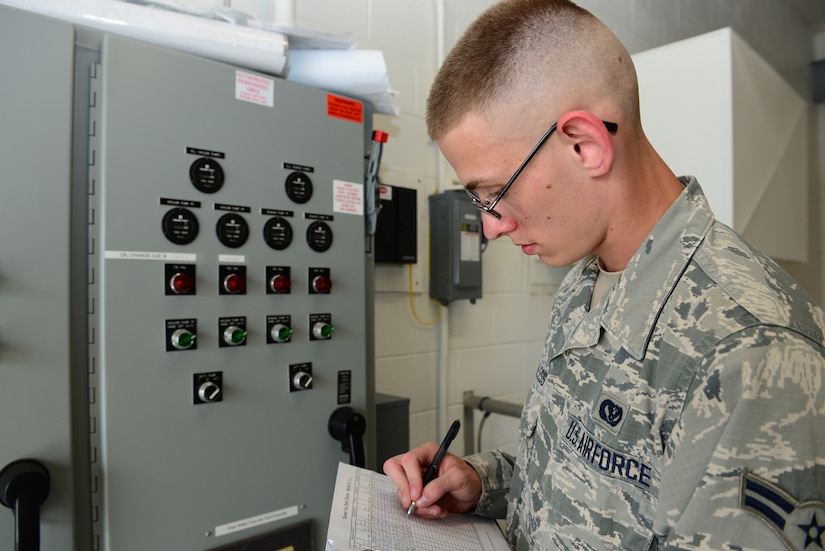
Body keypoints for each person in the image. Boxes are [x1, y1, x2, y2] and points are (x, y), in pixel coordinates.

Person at [382, 0, 825, 549]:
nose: (490, 227)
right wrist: (481, 480)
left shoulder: (751, 351)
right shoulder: (585, 280)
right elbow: (591, 476)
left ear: (585, 145)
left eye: (494, 192)